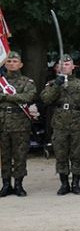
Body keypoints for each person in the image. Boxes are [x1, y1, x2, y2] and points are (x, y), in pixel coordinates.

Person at [40, 54, 80, 195]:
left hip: (77, 122)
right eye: (61, 64)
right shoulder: (53, 84)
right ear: (58, 67)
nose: (64, 66)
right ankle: (64, 183)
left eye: (67, 64)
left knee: (76, 154)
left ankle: (75, 183)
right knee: (61, 154)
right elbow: (45, 99)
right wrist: (56, 85)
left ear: (72, 67)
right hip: (59, 123)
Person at [0, 51, 36, 197]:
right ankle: (6, 185)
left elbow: (28, 97)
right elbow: (20, 97)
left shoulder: (27, 82)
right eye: (9, 61)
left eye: (15, 61)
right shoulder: (1, 81)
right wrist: (15, 98)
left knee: (20, 155)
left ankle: (19, 184)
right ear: (5, 64)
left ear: (20, 64)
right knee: (4, 156)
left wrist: (5, 96)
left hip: (20, 124)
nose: (12, 64)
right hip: (2, 123)